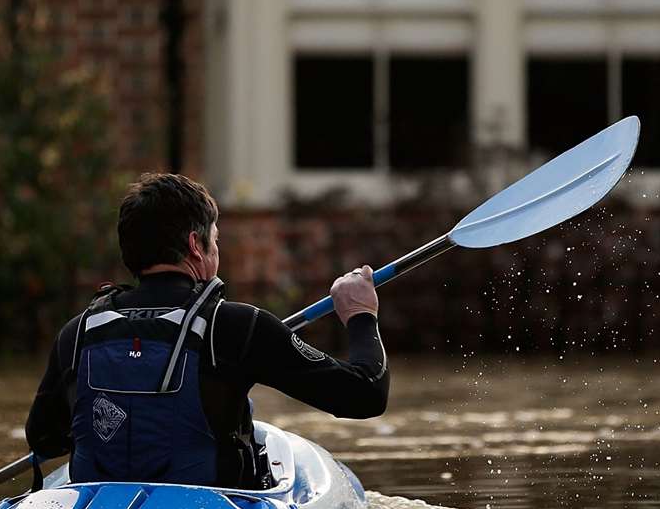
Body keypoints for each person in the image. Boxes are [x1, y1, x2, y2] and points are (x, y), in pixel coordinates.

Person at [25, 172, 388, 489]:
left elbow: (44, 438)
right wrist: (360, 315)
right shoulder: (235, 328)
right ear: (196, 246)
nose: (217, 251)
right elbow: (364, 394)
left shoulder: (78, 332)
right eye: (215, 241)